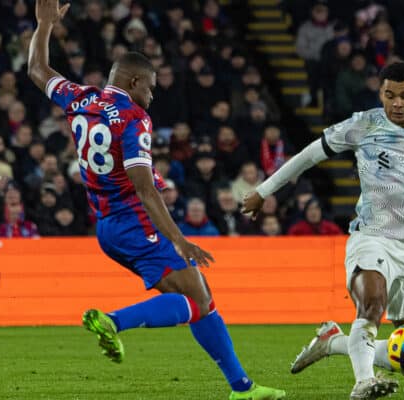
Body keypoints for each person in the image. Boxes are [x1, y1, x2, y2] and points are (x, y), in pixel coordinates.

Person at [27, 1, 285, 399]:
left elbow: (37, 70)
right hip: (136, 221)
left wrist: (43, 25)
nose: (152, 95)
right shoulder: (132, 117)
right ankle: (112, 321)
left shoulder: (80, 98)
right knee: (195, 301)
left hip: (107, 226)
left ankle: (242, 387)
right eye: (150, 87)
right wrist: (180, 239)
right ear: (133, 83)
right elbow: (145, 188)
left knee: (201, 298)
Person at [243, 61, 404, 399]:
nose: (397, 104)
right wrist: (263, 191)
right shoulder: (364, 124)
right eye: (389, 95)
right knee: (372, 303)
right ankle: (363, 381)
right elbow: (307, 156)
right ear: (381, 94)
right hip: (370, 236)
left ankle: (335, 343)